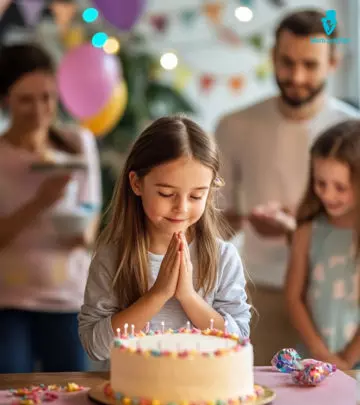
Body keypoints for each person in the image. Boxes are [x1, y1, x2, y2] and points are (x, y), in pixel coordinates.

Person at [215, 9, 360, 365]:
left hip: (342, 303)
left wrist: (297, 230)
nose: (297, 76)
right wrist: (249, 220)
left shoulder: (353, 130)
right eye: (287, 62)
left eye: (310, 65)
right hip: (261, 293)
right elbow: (214, 224)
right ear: (273, 58)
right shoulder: (235, 126)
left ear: (333, 62)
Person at [78, 115, 251, 361]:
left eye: (196, 196)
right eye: (167, 193)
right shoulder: (112, 256)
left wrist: (188, 297)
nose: (181, 207)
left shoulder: (223, 257)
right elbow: (95, 347)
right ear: (137, 183)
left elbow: (240, 341)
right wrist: (157, 295)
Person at [0, 43, 102, 372]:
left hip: (68, 296)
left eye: (47, 97)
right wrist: (40, 202)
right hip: (8, 299)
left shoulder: (77, 143)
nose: (40, 109)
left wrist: (85, 234)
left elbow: (91, 206)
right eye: (26, 100)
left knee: (71, 390)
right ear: (6, 101)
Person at [285, 120, 360, 371]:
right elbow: (294, 297)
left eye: (340, 187)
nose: (328, 195)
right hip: (313, 358)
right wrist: (321, 353)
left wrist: (346, 360)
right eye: (321, 183)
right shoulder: (307, 231)